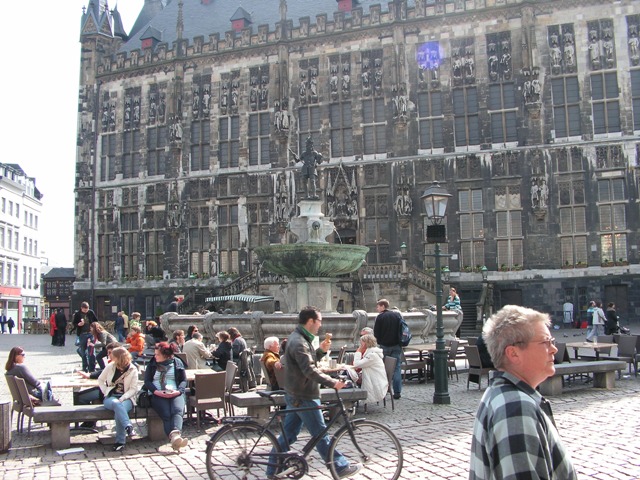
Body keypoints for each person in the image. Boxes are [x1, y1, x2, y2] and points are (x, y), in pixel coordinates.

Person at [469, 305, 577, 479]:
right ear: (513, 353)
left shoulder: (502, 395)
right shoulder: (516, 408)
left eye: (552, 341)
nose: (554, 349)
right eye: (545, 342)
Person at [266, 306, 361, 479]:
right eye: (319, 321)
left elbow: (304, 362)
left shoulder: (300, 338)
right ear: (310, 321)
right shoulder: (299, 342)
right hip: (304, 395)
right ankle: (339, 467)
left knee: (288, 435)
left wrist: (320, 351)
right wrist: (333, 382)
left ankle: (272, 470)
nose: (320, 325)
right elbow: (309, 370)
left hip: (296, 393)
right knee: (320, 434)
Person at [144, 342, 189, 452]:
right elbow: (147, 381)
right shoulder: (152, 364)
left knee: (177, 410)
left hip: (174, 392)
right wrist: (156, 391)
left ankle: (175, 436)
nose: (155, 356)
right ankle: (175, 438)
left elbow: (183, 380)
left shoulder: (177, 362)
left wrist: (178, 391)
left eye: (157, 354)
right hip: (157, 393)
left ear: (165, 355)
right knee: (166, 413)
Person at [98, 347, 139, 451]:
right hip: (111, 397)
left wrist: (123, 397)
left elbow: (133, 389)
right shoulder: (110, 366)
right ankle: (128, 427)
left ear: (118, 358)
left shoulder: (133, 369)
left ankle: (120, 442)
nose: (110, 357)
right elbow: (100, 379)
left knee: (119, 410)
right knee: (117, 404)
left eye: (112, 356)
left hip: (127, 398)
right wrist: (105, 391)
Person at [373, 298, 403, 400]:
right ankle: (397, 392)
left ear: (383, 306)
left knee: (384, 368)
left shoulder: (380, 317)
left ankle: (385, 390)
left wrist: (380, 341)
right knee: (397, 368)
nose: (377, 309)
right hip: (396, 345)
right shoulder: (396, 315)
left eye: (378, 306)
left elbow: (376, 333)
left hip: (385, 345)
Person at [351, 333, 388, 404]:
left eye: (361, 343)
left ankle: (350, 398)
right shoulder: (371, 353)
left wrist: (358, 351)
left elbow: (356, 364)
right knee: (350, 376)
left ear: (365, 343)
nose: (360, 345)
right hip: (373, 377)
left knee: (350, 378)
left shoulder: (372, 355)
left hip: (375, 381)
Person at [73, 302, 99, 372]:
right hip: (82, 334)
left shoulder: (91, 312)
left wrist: (93, 327)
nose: (86, 311)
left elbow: (96, 321)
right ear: (81, 308)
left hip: (91, 333)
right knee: (83, 351)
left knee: (91, 351)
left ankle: (92, 368)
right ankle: (85, 367)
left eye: (87, 309)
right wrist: (78, 324)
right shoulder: (77, 314)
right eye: (84, 310)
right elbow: (74, 323)